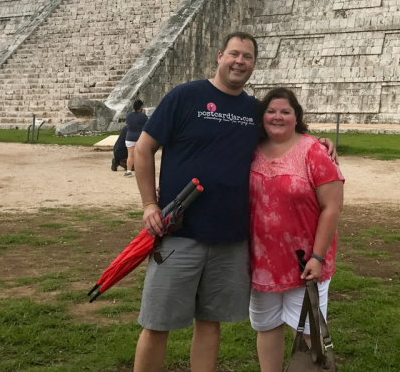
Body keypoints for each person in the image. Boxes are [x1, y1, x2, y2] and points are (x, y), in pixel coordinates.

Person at [129, 32, 336, 372]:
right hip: (179, 232)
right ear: (220, 56)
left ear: (254, 64)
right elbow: (143, 148)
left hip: (231, 239)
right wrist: (150, 204)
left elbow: (288, 134)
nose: (240, 61)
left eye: (248, 57)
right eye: (234, 54)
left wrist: (322, 143)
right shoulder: (185, 96)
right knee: (157, 323)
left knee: (210, 323)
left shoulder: (253, 111)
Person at [248, 88, 343, 372]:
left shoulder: (313, 151)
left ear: (296, 117)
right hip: (261, 262)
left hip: (304, 262)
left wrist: (318, 256)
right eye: (271, 111)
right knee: (266, 327)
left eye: (285, 112)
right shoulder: (250, 149)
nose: (278, 117)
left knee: (308, 332)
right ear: (262, 116)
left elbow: (332, 208)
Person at [124, 99, 148, 178]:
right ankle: (141, 172)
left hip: (130, 136)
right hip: (140, 137)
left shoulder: (129, 115)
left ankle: (128, 171)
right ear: (141, 107)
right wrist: (143, 114)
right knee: (141, 156)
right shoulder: (143, 116)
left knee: (130, 155)